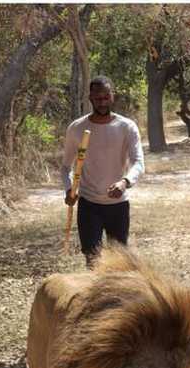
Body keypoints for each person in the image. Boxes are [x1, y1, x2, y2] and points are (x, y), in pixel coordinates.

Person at [62, 76, 145, 267]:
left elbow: (139, 162)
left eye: (106, 97)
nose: (102, 102)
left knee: (121, 261)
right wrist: (69, 190)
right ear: (90, 97)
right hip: (89, 204)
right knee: (93, 261)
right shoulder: (77, 128)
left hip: (118, 205)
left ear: (112, 97)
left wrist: (125, 182)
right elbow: (66, 166)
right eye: (97, 97)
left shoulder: (127, 127)